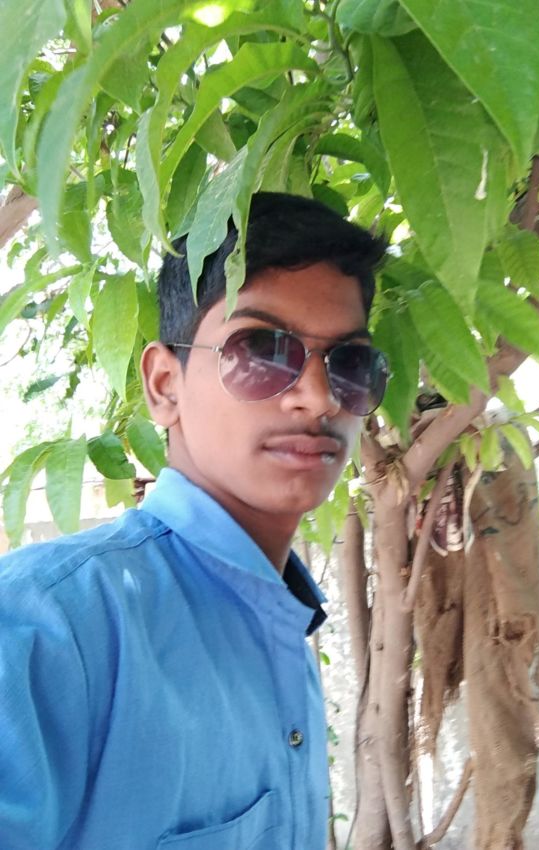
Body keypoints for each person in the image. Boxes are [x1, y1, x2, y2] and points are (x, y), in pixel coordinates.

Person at [0, 192, 388, 850]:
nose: (318, 397)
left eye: (349, 363)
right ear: (164, 385)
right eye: (261, 350)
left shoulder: (280, 623)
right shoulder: (47, 629)